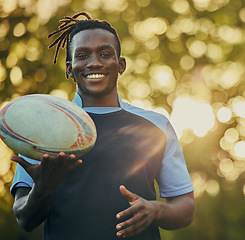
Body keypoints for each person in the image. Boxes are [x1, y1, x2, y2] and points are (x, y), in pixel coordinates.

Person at [10, 12, 195, 240]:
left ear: (121, 64)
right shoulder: (41, 128)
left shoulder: (156, 126)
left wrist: (156, 210)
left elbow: (185, 207)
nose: (94, 62)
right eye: (83, 55)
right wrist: (43, 187)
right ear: (69, 68)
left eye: (105, 54)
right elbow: (24, 219)